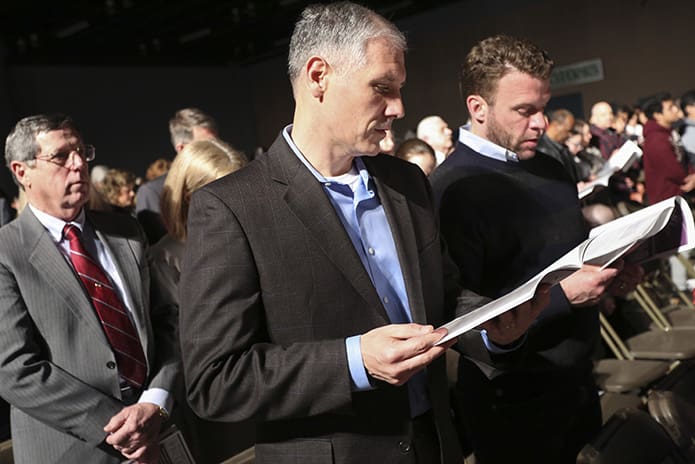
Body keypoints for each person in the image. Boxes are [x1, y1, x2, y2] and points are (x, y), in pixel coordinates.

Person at [179, 5, 546, 463]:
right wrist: (354, 361)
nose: (398, 108)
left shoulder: (406, 182)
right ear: (319, 77)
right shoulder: (233, 207)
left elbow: (443, 298)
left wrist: (495, 328)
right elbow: (215, 380)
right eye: (382, 88)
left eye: (399, 90)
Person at [430, 35, 642, 464]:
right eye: (524, 111)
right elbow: (460, 317)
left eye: (544, 107)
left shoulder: (549, 166)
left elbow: (569, 255)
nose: (541, 123)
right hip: (511, 399)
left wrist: (611, 277)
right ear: (478, 108)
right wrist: (567, 296)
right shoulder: (451, 191)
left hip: (580, 376)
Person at [0, 114, 180, 464]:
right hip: (73, 449)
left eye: (82, 151)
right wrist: (119, 426)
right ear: (22, 172)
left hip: (159, 434)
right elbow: (14, 369)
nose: (79, 163)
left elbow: (167, 322)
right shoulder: (6, 253)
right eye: (61, 156)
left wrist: (155, 401)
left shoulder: (126, 231)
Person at [151, 139, 248, 463]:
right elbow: (182, 344)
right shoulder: (165, 260)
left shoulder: (248, 239)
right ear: (190, 197)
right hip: (215, 412)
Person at [136, 108, 218, 244]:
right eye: (206, 145)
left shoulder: (223, 179)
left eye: (216, 143)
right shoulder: (153, 192)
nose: (216, 150)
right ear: (182, 149)